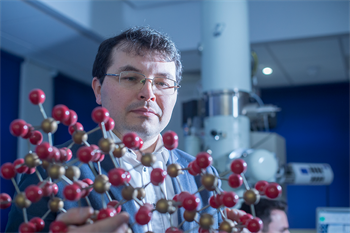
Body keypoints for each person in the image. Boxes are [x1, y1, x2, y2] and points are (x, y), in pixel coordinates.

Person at [5, 26, 245, 233]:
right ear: (98, 90)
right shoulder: (51, 171)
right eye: (130, 78)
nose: (148, 93)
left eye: (162, 83)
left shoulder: (202, 174)